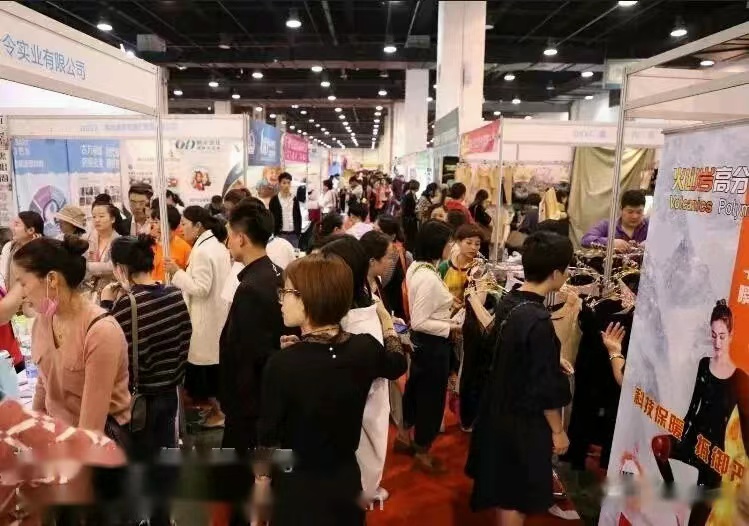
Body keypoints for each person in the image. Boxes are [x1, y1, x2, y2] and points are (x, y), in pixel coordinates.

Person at [256, 253, 407, 525]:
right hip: (346, 483)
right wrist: (387, 322)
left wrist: (260, 497)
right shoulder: (364, 349)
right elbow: (396, 363)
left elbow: (268, 440)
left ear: (309, 298)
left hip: (297, 489)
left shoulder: (282, 364)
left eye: (286, 292)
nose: (281, 300)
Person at [466, 231, 573, 526]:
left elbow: (507, 347)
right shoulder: (537, 319)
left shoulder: (510, 300)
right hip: (522, 420)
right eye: (566, 269)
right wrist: (558, 431)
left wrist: (551, 358)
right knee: (516, 494)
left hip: (498, 406)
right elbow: (544, 387)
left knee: (505, 488)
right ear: (556, 273)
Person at [14, 236, 130, 434]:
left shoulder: (100, 332)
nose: (21, 293)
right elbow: (44, 385)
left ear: (52, 279)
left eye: (23, 283)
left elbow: (91, 430)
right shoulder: (44, 320)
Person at [651, 300, 747, 525]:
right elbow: (694, 407)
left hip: (714, 455)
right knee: (658, 444)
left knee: (697, 520)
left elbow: (746, 427)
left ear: (731, 335)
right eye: (713, 335)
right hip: (693, 440)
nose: (717, 342)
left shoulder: (741, 379)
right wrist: (679, 434)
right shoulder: (704, 364)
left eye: (722, 336)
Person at [101, 235, 191, 458]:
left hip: (140, 400)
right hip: (171, 391)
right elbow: (185, 337)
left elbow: (104, 341)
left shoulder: (127, 304)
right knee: (166, 451)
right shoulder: (175, 294)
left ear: (121, 269)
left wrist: (106, 303)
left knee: (142, 458)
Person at [320, 235, 395, 503]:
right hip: (353, 393)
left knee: (366, 440)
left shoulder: (360, 314)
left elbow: (390, 364)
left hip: (363, 392)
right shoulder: (353, 302)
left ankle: (364, 490)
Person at [397, 220, 462, 474]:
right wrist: (452, 327)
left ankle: (405, 437)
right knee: (431, 398)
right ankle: (422, 449)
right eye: (449, 242)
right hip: (432, 345)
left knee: (417, 391)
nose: (452, 247)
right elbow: (420, 321)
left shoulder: (420, 267)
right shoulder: (427, 276)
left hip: (425, 345)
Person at [219, 201, 284, 451]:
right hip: (269, 393)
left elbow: (245, 352)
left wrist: (234, 402)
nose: (227, 243)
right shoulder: (277, 272)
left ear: (241, 238)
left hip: (250, 402)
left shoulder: (250, 288)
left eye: (229, 236)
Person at [167, 206, 231, 428]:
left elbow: (201, 288)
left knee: (206, 372)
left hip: (205, 318)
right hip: (215, 316)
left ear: (198, 226)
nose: (181, 229)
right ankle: (217, 411)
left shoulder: (203, 251)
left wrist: (176, 273)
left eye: (185, 224)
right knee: (211, 369)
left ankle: (219, 413)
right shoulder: (216, 246)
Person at [581, 189, 648, 249]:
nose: (635, 216)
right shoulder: (607, 225)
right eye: (630, 212)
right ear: (621, 209)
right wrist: (610, 242)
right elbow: (585, 240)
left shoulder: (649, 226)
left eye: (639, 212)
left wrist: (650, 244)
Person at [375, 215, 412, 321]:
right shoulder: (371, 255)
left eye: (379, 232)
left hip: (397, 311)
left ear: (392, 236)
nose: (374, 235)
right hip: (378, 310)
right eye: (373, 230)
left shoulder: (405, 256)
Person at [439, 224, 485, 304]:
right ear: (458, 242)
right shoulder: (445, 267)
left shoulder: (480, 269)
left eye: (477, 244)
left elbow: (481, 301)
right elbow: (437, 293)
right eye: (469, 243)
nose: (473, 247)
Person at [85, 202, 121, 301]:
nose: (97, 220)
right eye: (94, 217)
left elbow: (112, 267)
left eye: (101, 216)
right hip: (89, 291)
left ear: (112, 219)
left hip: (111, 291)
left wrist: (88, 266)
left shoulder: (119, 241)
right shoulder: (88, 238)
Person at [0, 211, 44, 290]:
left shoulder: (45, 250)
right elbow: (2, 274)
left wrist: (35, 249)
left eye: (16, 224)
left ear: (31, 230)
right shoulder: (9, 247)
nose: (12, 227)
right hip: (11, 296)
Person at [150, 203, 191, 282]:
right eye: (156, 222)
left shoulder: (184, 248)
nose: (158, 227)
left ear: (172, 224)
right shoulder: (150, 244)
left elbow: (188, 278)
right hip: (149, 288)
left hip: (172, 288)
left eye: (162, 223)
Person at [269, 172, 302, 248]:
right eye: (284, 183)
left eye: (288, 183)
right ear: (279, 184)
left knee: (294, 254)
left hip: (294, 235)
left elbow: (298, 217)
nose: (286, 185)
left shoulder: (294, 199)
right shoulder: (274, 200)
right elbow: (271, 218)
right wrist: (273, 233)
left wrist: (298, 233)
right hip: (280, 235)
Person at [360, 230, 392, 302]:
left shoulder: (378, 280)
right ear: (372, 261)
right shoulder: (359, 290)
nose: (391, 262)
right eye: (389, 257)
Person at [469, 189, 493, 258]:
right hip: (481, 233)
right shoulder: (479, 207)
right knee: (483, 251)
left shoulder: (471, 206)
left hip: (473, 231)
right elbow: (486, 220)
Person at [401, 180, 419, 251]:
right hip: (409, 219)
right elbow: (406, 209)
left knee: (411, 235)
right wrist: (415, 211)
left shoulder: (412, 195)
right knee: (409, 236)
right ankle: (409, 249)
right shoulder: (408, 196)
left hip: (410, 218)